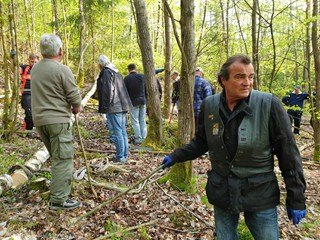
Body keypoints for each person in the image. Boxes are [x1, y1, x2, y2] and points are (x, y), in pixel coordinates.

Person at [162, 54, 306, 239]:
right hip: (222, 189)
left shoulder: (269, 105)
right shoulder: (210, 105)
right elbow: (202, 141)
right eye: (240, 77)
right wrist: (176, 156)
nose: (247, 82)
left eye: (251, 76)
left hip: (259, 192)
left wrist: (297, 198)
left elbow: (289, 155)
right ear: (223, 80)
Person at [31, 34, 82, 210]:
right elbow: (74, 96)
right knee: (63, 159)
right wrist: (76, 107)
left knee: (56, 157)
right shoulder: (62, 70)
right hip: (57, 120)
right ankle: (59, 200)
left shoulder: (35, 69)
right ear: (60, 50)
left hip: (40, 121)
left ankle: (60, 189)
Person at [97, 55, 132, 162]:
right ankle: (124, 155)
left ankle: (120, 156)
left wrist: (105, 106)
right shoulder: (116, 72)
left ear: (101, 64)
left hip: (114, 107)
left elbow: (108, 90)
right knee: (122, 131)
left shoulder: (107, 72)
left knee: (118, 132)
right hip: (122, 105)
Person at [124, 63, 147, 145]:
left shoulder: (127, 79)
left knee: (135, 121)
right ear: (135, 69)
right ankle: (144, 137)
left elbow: (125, 92)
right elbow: (146, 88)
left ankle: (138, 138)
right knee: (142, 120)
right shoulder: (142, 76)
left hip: (133, 102)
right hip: (143, 101)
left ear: (128, 70)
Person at [20, 53, 39, 137]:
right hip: (26, 95)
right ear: (29, 61)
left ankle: (31, 130)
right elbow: (14, 70)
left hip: (37, 95)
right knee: (29, 113)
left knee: (36, 114)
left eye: (35, 62)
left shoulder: (41, 70)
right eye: (32, 62)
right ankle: (28, 132)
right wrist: (12, 58)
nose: (34, 64)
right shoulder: (24, 68)